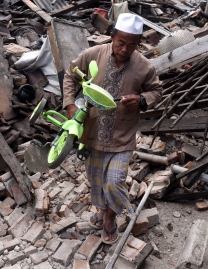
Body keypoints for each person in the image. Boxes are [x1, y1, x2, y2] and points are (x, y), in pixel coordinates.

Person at [62, 13, 163, 244]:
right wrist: (69, 103)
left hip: (122, 136)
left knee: (114, 181)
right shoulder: (92, 55)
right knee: (95, 178)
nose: (126, 49)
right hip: (91, 133)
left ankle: (109, 217)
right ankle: (102, 209)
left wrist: (141, 99)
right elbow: (70, 74)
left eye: (132, 45)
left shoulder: (144, 67)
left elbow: (157, 92)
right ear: (112, 36)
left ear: (139, 44)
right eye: (121, 42)